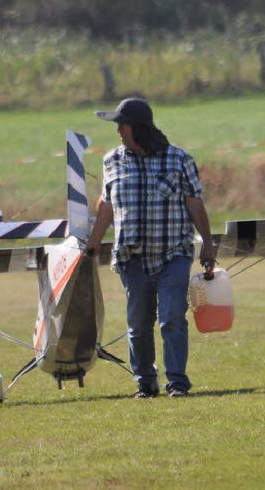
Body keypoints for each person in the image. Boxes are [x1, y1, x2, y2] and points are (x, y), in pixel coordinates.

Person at [85, 98, 216, 398]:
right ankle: (145, 381)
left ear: (138, 128)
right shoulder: (111, 161)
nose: (118, 130)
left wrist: (208, 245)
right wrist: (93, 243)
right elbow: (106, 204)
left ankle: (178, 382)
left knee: (171, 317)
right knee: (139, 324)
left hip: (174, 253)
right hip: (132, 257)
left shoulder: (179, 160)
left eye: (123, 124)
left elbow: (196, 205)